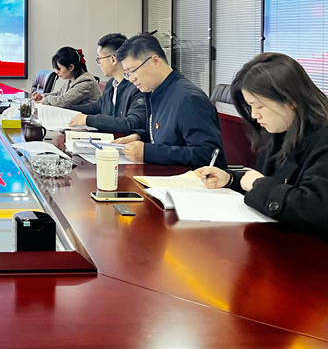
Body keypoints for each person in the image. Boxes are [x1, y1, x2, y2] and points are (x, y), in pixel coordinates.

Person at [195, 53, 328, 237]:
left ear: (290, 100)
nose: (254, 115)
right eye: (250, 106)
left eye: (259, 106)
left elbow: (314, 210)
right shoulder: (279, 131)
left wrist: (257, 183)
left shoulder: (322, 138)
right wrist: (230, 180)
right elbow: (270, 183)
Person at [113, 33, 226, 168]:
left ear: (155, 61)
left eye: (133, 71)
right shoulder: (154, 92)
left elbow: (209, 155)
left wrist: (148, 152)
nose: (131, 79)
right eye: (127, 74)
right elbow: (167, 137)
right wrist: (139, 137)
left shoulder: (189, 99)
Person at [67, 33, 147, 134]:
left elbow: (133, 123)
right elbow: (97, 107)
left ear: (113, 59)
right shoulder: (111, 84)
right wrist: (64, 109)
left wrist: (88, 120)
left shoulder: (137, 86)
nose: (99, 64)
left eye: (99, 59)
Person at [31, 47, 101, 108]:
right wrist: (43, 96)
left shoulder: (86, 83)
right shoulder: (71, 79)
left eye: (59, 69)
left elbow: (63, 101)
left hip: (86, 118)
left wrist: (45, 100)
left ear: (71, 67)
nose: (57, 72)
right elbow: (59, 93)